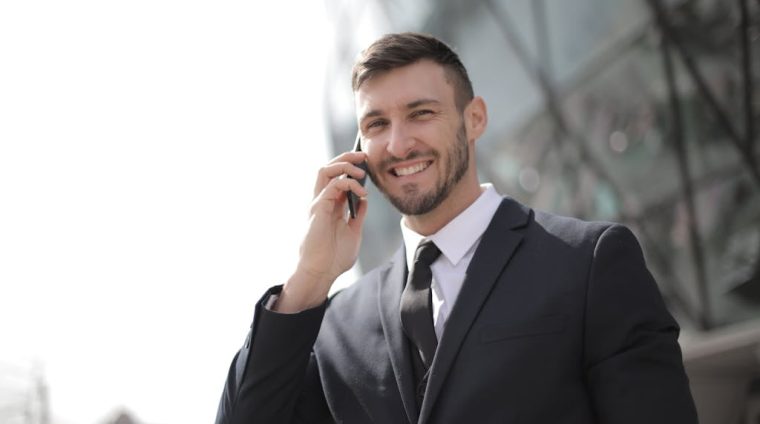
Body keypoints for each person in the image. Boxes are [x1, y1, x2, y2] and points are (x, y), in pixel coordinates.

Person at [215, 32, 698, 424]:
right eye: (377, 124)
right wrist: (311, 277)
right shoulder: (336, 325)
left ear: (475, 119)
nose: (399, 144)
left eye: (420, 113)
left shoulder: (588, 263)